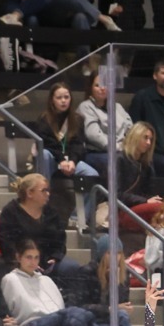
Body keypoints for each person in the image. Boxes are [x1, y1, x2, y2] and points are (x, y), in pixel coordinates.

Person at [0, 239, 108, 326]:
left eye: (36, 257)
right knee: (79, 315)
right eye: (28, 257)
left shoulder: (45, 280)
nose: (33, 262)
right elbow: (7, 309)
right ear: (18, 257)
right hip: (32, 325)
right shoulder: (10, 279)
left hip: (59, 320)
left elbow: (60, 307)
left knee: (77, 319)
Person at [34, 83, 101, 228]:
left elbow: (78, 144)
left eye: (66, 97)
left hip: (71, 161)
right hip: (52, 159)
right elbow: (48, 144)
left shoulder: (78, 119)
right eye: (59, 97)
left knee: (91, 174)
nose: (63, 101)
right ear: (52, 100)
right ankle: (42, 204)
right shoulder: (44, 119)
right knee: (44, 154)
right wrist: (61, 160)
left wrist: (72, 161)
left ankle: (78, 217)